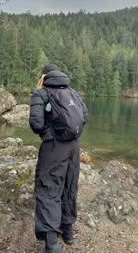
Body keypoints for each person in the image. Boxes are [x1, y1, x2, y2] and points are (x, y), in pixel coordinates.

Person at [29, 64, 88, 253]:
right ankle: (68, 232)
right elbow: (84, 116)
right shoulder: (71, 91)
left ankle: (52, 243)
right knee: (69, 186)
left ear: (44, 76)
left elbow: (36, 123)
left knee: (49, 188)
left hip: (53, 147)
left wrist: (50, 133)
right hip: (73, 147)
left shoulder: (42, 92)